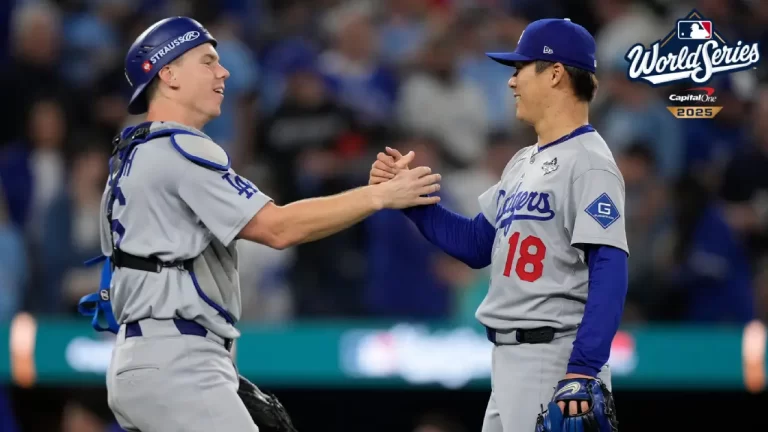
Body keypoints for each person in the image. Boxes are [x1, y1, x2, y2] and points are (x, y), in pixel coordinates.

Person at [78, 16, 441, 432]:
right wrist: (379, 196)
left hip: (140, 359)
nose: (224, 71)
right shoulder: (181, 148)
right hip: (177, 360)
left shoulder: (132, 152)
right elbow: (278, 228)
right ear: (169, 73)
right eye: (208, 60)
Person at [370, 18, 626, 432]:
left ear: (556, 74)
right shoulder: (523, 161)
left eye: (520, 69)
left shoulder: (591, 163)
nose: (511, 83)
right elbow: (475, 243)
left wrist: (582, 369)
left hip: (553, 357)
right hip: (508, 361)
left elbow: (610, 269)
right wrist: (410, 199)